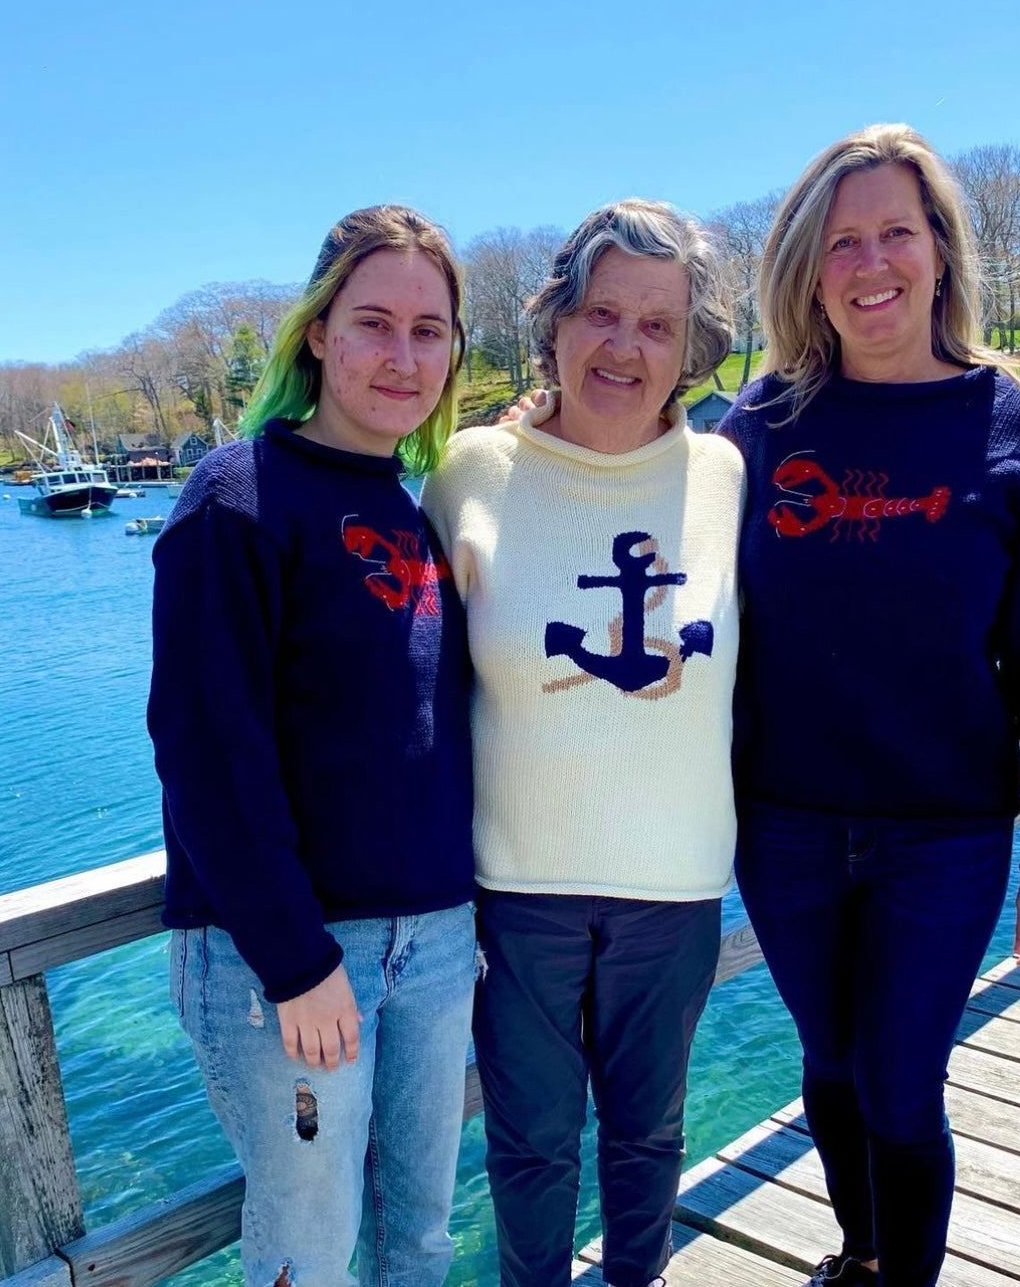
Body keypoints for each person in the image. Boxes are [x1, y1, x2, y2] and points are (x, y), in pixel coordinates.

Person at [717, 124, 1020, 1287]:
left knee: (899, 1080)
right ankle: (862, 1253)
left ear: (939, 250)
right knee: (829, 1064)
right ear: (810, 266)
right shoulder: (761, 425)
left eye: (897, 231)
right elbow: (652, 539)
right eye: (844, 240)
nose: (870, 261)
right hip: (781, 827)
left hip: (944, 835)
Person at [148, 205, 477, 1287]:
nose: (401, 354)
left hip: (431, 943)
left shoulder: (409, 509)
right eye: (373, 323)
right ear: (318, 336)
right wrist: (298, 961)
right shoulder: (236, 500)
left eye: (429, 331)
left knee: (419, 1235)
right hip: (284, 960)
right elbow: (205, 752)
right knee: (309, 1255)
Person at [420, 199, 744, 1287]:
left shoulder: (727, 478)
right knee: (528, 1150)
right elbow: (403, 683)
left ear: (690, 347)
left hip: (678, 888)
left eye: (658, 325)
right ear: (554, 323)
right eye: (601, 313)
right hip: (517, 892)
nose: (625, 345)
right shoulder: (469, 472)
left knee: (649, 1141)